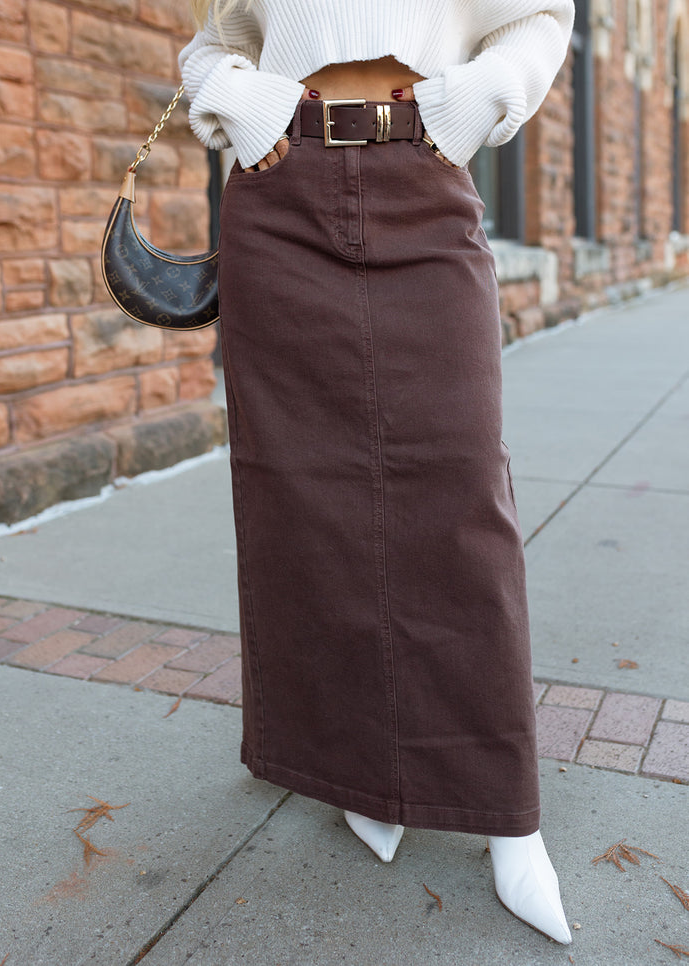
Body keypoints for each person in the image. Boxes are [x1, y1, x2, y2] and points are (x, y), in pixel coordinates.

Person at [180, 0, 575, 945]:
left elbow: (540, 18)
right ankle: (359, 769)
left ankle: (509, 816)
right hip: (278, 198)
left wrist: (470, 101)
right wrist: (244, 99)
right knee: (302, 495)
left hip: (424, 178)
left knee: (463, 490)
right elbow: (217, 39)